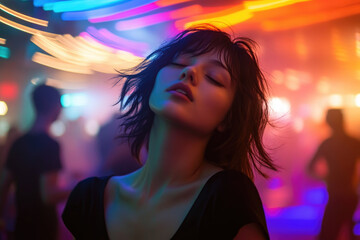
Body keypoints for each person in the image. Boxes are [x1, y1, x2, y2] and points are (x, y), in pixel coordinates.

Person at [62, 25, 277, 240]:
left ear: (228, 118)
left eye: (213, 77)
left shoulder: (228, 199)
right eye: (180, 62)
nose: (189, 71)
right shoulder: (88, 200)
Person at [0, 84, 71, 240]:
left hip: (21, 225)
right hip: (43, 228)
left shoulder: (18, 143)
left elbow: (3, 186)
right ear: (55, 107)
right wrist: (78, 187)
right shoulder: (50, 145)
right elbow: (48, 195)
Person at [308, 108, 360, 240]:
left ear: (329, 122)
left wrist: (325, 178)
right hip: (350, 195)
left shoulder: (328, 144)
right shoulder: (354, 143)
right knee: (350, 232)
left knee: (327, 235)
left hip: (335, 195)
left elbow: (309, 168)